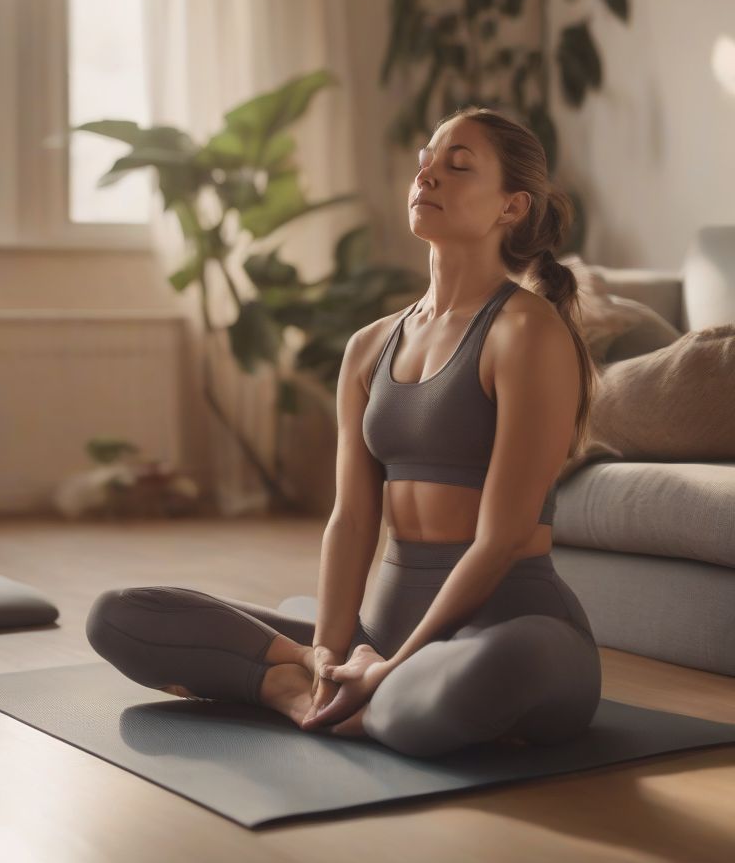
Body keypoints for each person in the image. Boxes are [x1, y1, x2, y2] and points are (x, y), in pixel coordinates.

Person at [85, 105, 602, 758]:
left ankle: (356, 691)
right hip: (377, 635)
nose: (428, 176)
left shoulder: (526, 333)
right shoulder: (369, 346)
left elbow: (500, 539)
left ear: (511, 207)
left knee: (485, 678)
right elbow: (351, 520)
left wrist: (395, 663)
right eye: (426, 161)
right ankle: (311, 689)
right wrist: (329, 653)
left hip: (506, 630)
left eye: (459, 164)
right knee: (119, 615)